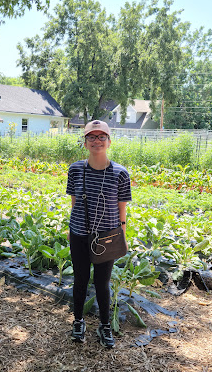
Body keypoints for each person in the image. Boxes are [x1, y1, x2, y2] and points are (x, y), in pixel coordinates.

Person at [66, 120, 132, 348]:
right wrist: (70, 229)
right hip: (79, 234)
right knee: (80, 280)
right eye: (91, 137)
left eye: (101, 136)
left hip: (107, 237)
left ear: (109, 141)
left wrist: (122, 233)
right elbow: (74, 203)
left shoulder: (120, 174)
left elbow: (122, 208)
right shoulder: (75, 169)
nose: (96, 141)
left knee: (102, 283)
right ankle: (78, 321)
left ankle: (104, 326)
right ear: (85, 143)